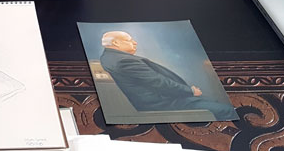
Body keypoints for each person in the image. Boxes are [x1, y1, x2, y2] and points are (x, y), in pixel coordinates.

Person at [97, 31, 234, 120]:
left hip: (163, 99)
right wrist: (190, 90)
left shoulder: (109, 57)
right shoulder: (123, 60)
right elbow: (158, 83)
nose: (135, 42)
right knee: (227, 110)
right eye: (130, 40)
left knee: (214, 104)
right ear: (115, 43)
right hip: (163, 102)